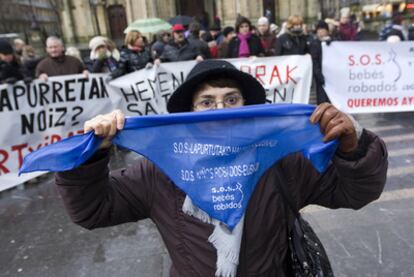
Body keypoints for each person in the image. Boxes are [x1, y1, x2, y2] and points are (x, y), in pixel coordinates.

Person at [55, 59, 387, 276]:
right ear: (190, 112)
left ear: (247, 108)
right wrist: (89, 156)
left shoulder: (280, 162)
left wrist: (354, 145)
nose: (220, 109)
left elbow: (356, 191)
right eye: (207, 102)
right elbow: (93, 210)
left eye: (231, 99)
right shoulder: (159, 171)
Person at [309, 21, 332, 104]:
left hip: (332, 76)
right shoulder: (315, 43)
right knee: (322, 100)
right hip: (320, 76)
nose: (321, 32)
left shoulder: (333, 42)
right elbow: (314, 61)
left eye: (323, 30)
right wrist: (319, 75)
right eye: (319, 30)